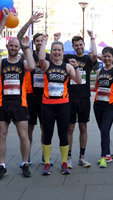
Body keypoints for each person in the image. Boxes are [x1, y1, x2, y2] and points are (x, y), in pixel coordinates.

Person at [0, 8, 36, 178]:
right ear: (7, 46)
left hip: (20, 104)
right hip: (2, 104)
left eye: (16, 46)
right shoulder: (2, 63)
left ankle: (25, 163)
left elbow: (32, 66)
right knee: (1, 136)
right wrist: (4, 21)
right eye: (11, 45)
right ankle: (2, 165)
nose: (14, 48)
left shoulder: (23, 63)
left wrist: (26, 46)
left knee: (23, 135)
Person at [38, 34, 82, 175]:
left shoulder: (67, 66)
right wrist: (44, 42)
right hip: (47, 105)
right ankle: (46, 163)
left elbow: (79, 81)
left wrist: (76, 68)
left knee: (63, 134)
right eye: (54, 50)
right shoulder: (46, 65)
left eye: (59, 50)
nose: (57, 52)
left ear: (63, 52)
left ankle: (64, 163)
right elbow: (40, 58)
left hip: (63, 105)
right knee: (47, 134)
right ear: (51, 52)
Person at [17, 12, 53, 166]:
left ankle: (46, 157)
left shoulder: (49, 57)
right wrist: (29, 22)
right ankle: (28, 156)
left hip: (45, 98)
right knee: (29, 129)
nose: (39, 43)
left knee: (45, 128)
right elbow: (19, 37)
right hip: (30, 97)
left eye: (41, 41)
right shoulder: (28, 54)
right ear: (34, 42)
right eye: (37, 41)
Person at [59, 31, 97, 169]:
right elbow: (56, 55)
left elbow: (94, 55)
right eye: (76, 45)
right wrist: (56, 39)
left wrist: (92, 37)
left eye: (81, 45)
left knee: (83, 127)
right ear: (73, 47)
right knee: (70, 127)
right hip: (70, 97)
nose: (79, 47)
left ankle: (82, 156)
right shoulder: (68, 57)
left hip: (84, 98)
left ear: (84, 45)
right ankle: (68, 157)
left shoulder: (87, 60)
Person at [91, 46, 113, 168]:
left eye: (109, 56)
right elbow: (96, 87)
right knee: (103, 131)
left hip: (110, 106)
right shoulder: (99, 72)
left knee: (105, 130)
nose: (107, 58)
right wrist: (83, 88)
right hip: (98, 105)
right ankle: (108, 154)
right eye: (105, 56)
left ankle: (103, 157)